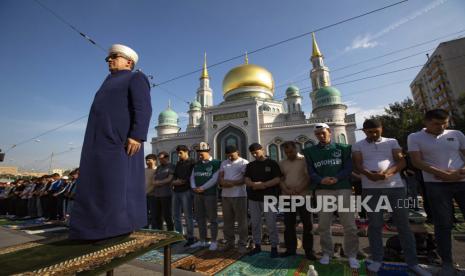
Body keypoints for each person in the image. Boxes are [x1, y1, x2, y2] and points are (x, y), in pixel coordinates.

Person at [70, 44, 152, 240]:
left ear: (129, 62)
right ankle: (92, 229)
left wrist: (136, 135)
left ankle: (117, 227)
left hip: (120, 144)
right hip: (98, 144)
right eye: (109, 57)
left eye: (114, 56)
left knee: (116, 186)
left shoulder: (135, 78)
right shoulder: (107, 82)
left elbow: (143, 108)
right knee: (96, 184)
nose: (109, 60)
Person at [353, 119, 430, 276]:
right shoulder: (358, 145)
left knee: (403, 225)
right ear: (364, 131)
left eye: (376, 131)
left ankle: (413, 262)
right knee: (374, 225)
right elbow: (358, 164)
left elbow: (401, 161)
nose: (373, 134)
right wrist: (369, 175)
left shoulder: (392, 141)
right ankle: (377, 259)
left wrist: (387, 174)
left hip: (396, 189)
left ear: (381, 128)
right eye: (369, 132)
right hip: (370, 189)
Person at [408, 109, 465, 276]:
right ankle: (447, 263)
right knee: (443, 224)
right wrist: (443, 175)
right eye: (436, 124)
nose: (441, 127)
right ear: (426, 122)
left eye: (444, 123)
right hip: (436, 185)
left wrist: (460, 172)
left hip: (462, 182)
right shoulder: (415, 137)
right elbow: (417, 162)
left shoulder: (456, 134)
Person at [303, 123, 359, 269]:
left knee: (349, 225)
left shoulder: (344, 148)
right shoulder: (310, 151)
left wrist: (337, 178)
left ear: (329, 132)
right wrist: (321, 180)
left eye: (323, 133)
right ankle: (327, 252)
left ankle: (351, 254)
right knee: (323, 225)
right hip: (322, 190)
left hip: (342, 188)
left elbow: (348, 167)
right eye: (318, 134)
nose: (321, 136)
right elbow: (311, 171)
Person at [279, 141, 316, 260]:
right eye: (286, 152)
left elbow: (309, 177)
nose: (289, 154)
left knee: (307, 225)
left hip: (304, 196)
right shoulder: (282, 163)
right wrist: (286, 189)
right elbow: (281, 179)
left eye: (291, 151)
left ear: (296, 148)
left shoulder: (305, 160)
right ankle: (290, 249)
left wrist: (300, 188)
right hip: (288, 197)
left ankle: (309, 251)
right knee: (289, 225)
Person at [245, 143, 281, 258]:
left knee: (271, 223)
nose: (255, 154)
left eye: (257, 152)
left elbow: (277, 179)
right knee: (255, 223)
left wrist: (263, 185)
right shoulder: (251, 165)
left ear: (263, 150)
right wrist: (253, 184)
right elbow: (246, 179)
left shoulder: (272, 163)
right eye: (253, 153)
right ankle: (257, 246)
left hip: (269, 198)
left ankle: (274, 247)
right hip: (254, 198)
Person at [190, 142, 221, 250]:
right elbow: (192, 177)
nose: (199, 154)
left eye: (202, 152)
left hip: (210, 194)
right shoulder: (197, 164)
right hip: (197, 194)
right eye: (198, 152)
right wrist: (194, 187)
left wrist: (202, 188)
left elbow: (215, 178)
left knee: (212, 219)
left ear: (208, 151)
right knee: (200, 218)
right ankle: (202, 240)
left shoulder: (217, 163)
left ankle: (213, 241)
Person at [218, 145, 249, 253]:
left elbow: (245, 179)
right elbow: (220, 178)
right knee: (227, 221)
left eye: (232, 155)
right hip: (226, 196)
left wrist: (231, 183)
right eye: (228, 155)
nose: (230, 157)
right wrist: (224, 183)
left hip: (239, 195)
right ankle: (229, 242)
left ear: (237, 152)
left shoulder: (244, 163)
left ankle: (242, 244)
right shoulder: (224, 163)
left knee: (241, 221)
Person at [172, 145, 196, 246]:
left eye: (180, 153)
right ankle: (179, 236)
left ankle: (190, 237)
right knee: (176, 215)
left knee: (188, 215)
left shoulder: (192, 162)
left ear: (187, 152)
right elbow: (174, 176)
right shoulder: (178, 163)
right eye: (178, 153)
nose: (178, 155)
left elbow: (189, 177)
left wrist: (180, 182)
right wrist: (175, 182)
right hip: (176, 191)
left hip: (186, 191)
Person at [150, 152, 174, 231]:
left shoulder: (171, 166)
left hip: (166, 195)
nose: (160, 160)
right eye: (159, 159)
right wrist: (154, 182)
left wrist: (159, 182)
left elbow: (170, 178)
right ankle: (161, 234)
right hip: (157, 195)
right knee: (157, 217)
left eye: (161, 158)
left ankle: (171, 234)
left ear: (167, 158)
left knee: (167, 216)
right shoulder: (159, 167)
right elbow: (153, 178)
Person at [145, 154, 157, 227]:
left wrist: (146, 192)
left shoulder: (157, 170)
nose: (147, 162)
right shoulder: (144, 170)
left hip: (153, 196)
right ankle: (145, 229)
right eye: (146, 160)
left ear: (154, 161)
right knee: (144, 214)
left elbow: (155, 184)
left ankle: (154, 231)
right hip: (144, 196)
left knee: (154, 214)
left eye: (149, 160)